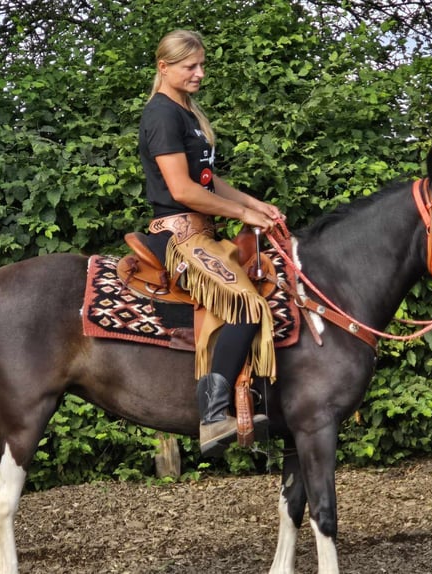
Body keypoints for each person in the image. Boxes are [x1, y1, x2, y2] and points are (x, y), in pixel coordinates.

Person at [138, 30, 284, 457]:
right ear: (164, 67)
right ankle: (214, 417)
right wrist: (241, 214)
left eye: (202, 65)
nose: (200, 73)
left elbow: (208, 180)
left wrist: (258, 205)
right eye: (190, 66)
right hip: (179, 234)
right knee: (248, 305)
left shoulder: (186, 111)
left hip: (203, 230)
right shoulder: (162, 114)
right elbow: (182, 190)